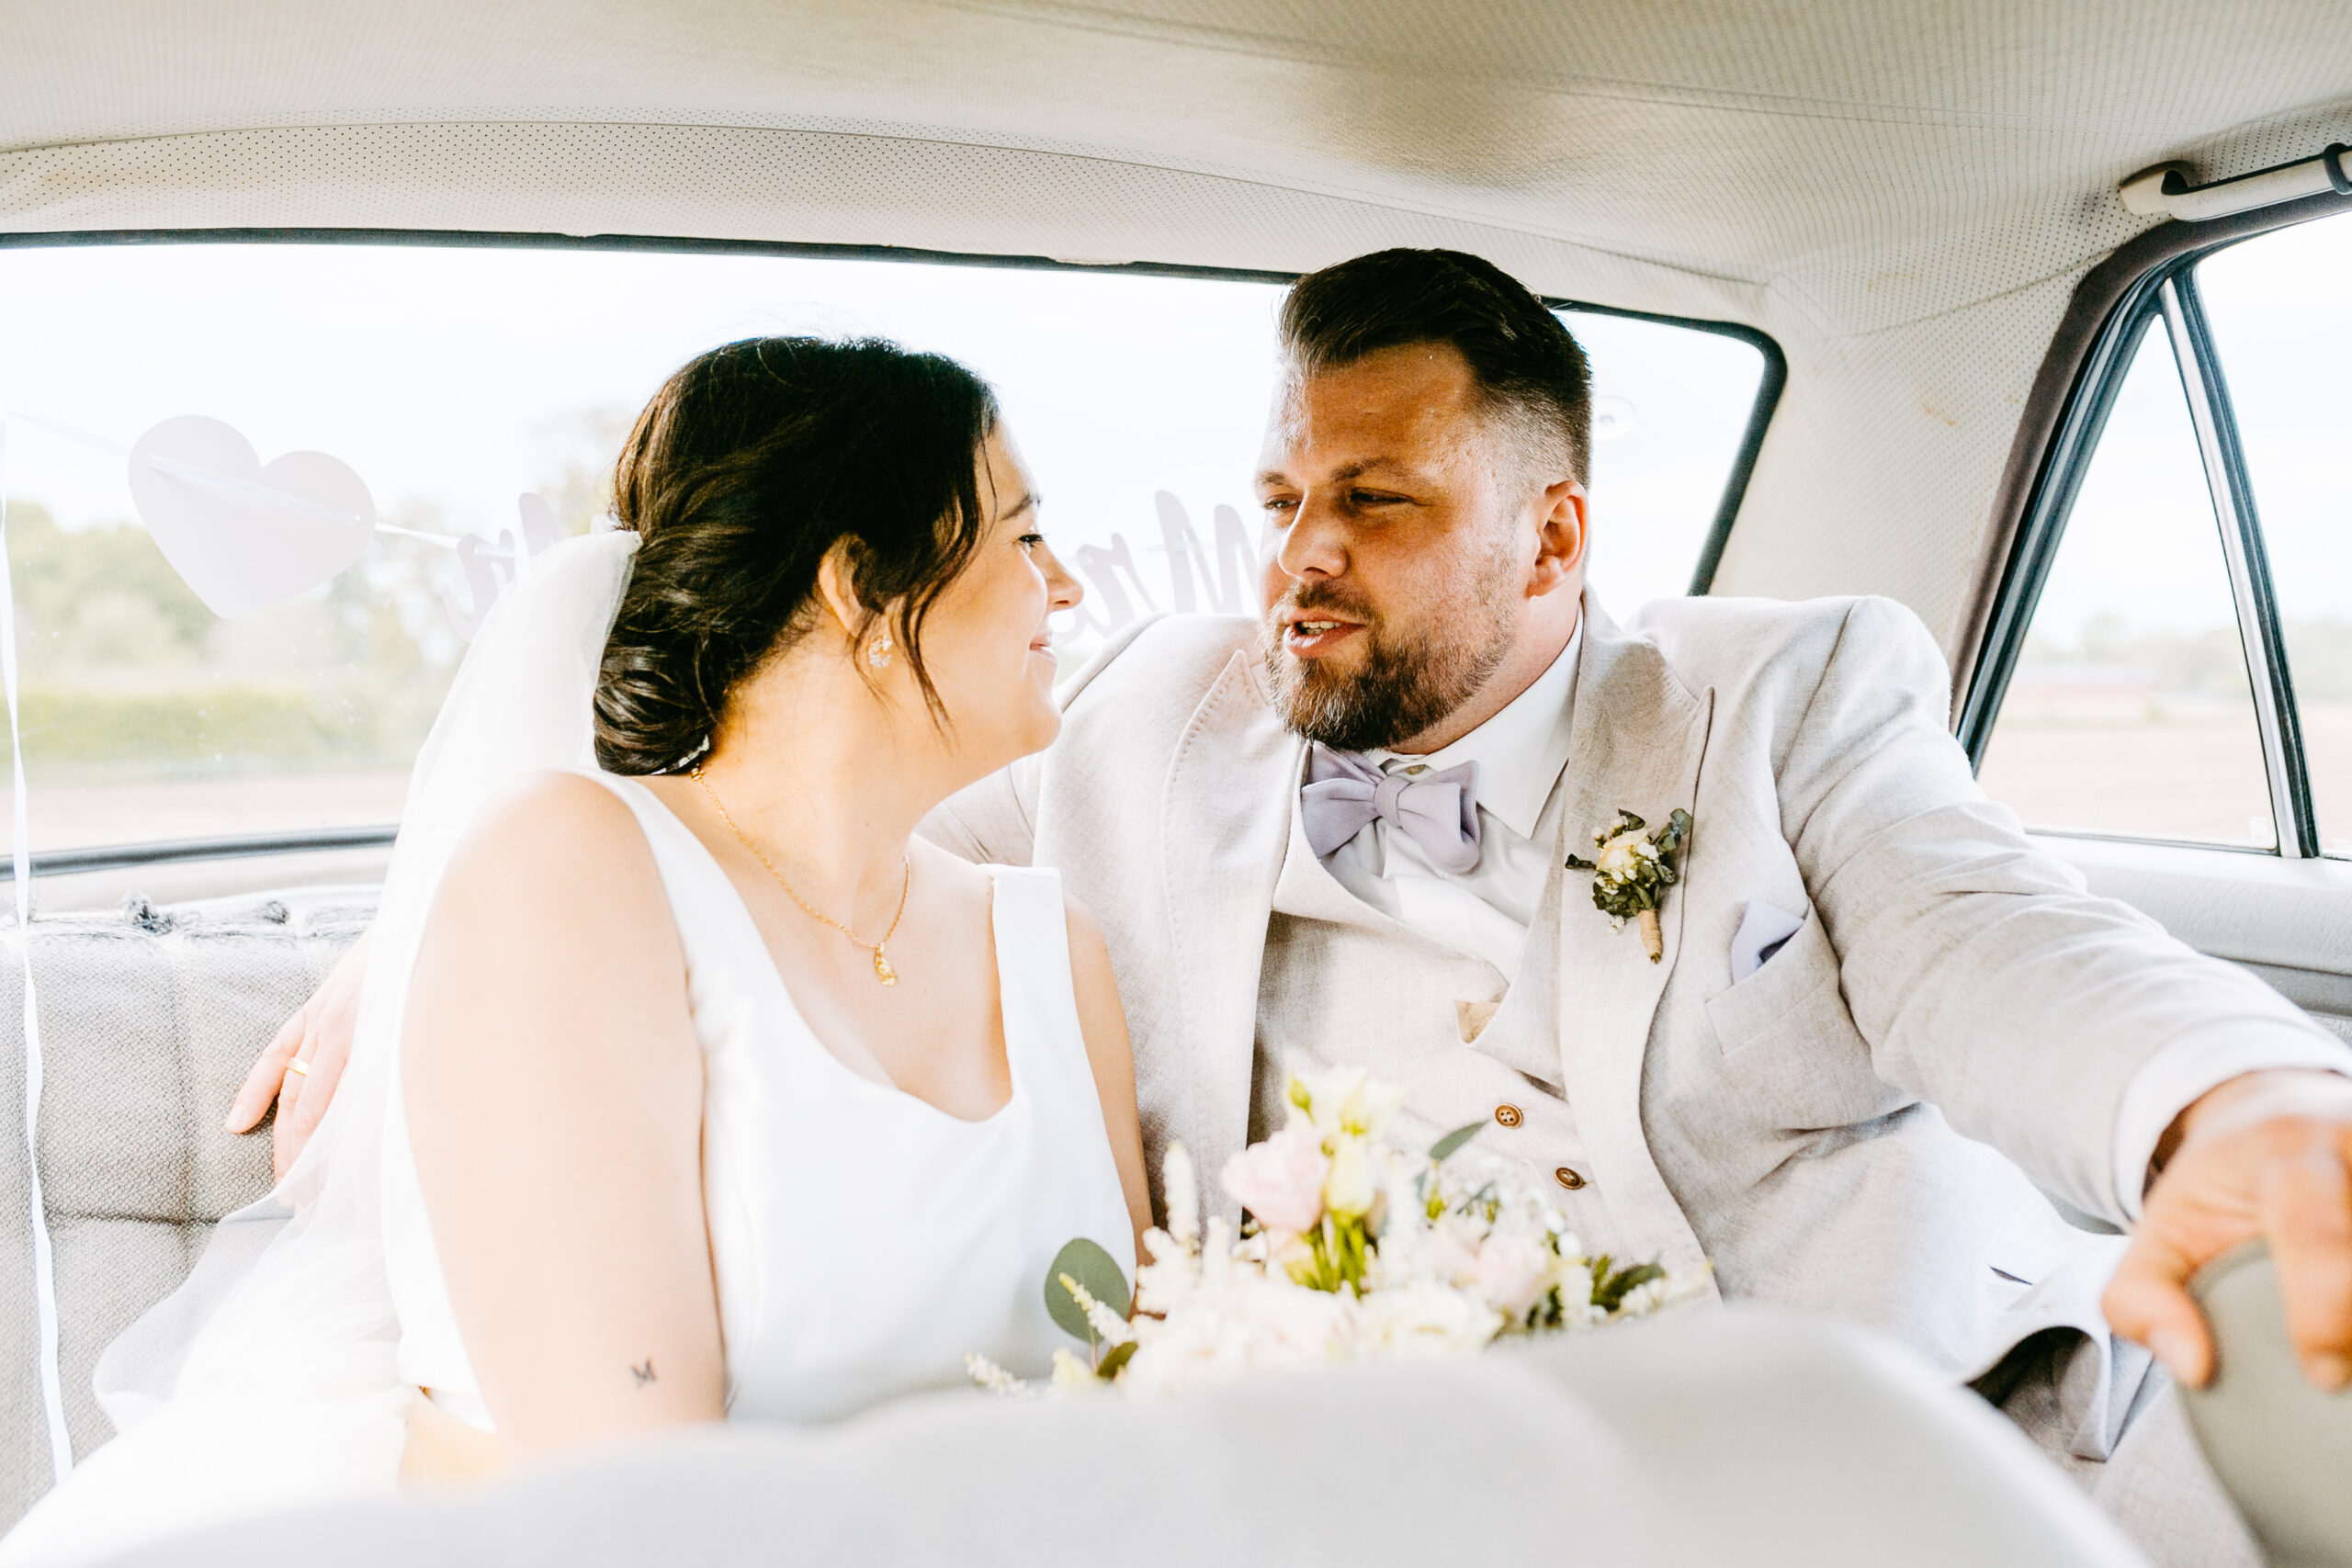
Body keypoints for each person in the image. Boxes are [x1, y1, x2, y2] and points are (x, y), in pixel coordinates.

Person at [248, 250, 2349, 1562]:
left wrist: (2228, 1091)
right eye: (1277, 498)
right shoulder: (1161, 713)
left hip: (1841, 1454)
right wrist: (428, 936)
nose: (1296, 558)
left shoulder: (1776, 703)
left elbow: (1992, 931)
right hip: (1373, 1489)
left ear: (1552, 539)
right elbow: (789, 842)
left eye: (1375, 500)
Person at [0, 337, 1149, 1564]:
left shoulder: (1053, 951)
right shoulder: (572, 871)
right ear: (860, 587)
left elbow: (1153, 1401)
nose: (1068, 586)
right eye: (1026, 537)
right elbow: (632, 1509)